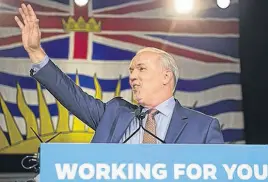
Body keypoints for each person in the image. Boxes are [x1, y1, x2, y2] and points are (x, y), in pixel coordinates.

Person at [14, 4, 224, 144]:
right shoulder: (113, 113)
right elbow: (71, 95)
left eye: (141, 69)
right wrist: (35, 52)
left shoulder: (203, 127)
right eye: (131, 70)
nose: (132, 76)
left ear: (166, 77)